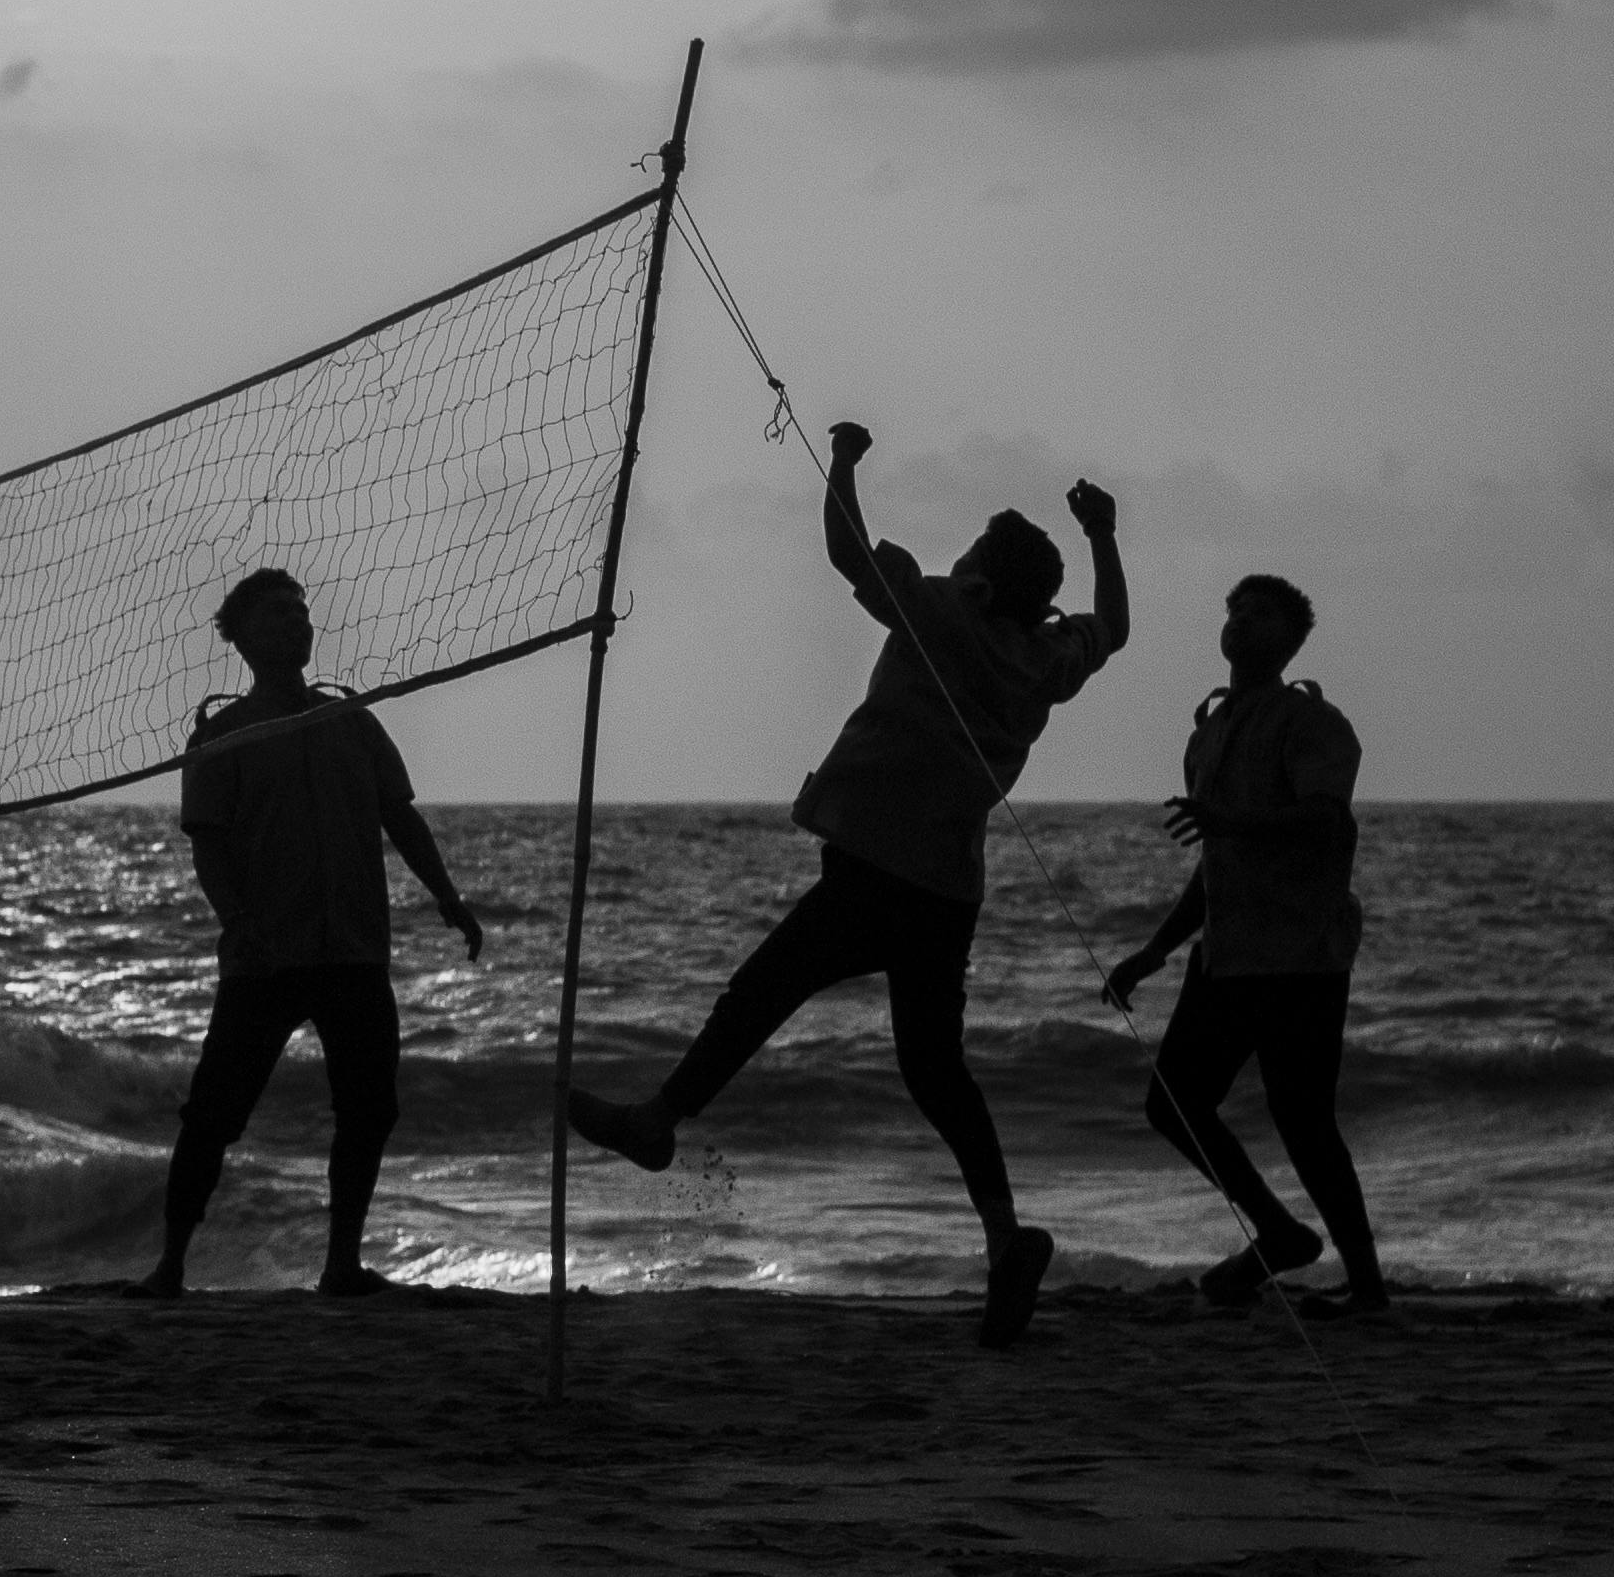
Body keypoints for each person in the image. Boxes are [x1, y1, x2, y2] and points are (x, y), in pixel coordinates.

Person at [570, 421, 1127, 1346]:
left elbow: (843, 549)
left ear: (984, 571)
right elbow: (1111, 628)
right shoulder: (1043, 658)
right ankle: (1004, 1239)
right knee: (932, 1068)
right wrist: (1104, 533)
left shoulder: (943, 612)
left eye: (975, 550)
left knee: (760, 991)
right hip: (948, 890)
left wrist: (842, 460)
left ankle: (657, 1122)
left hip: (875, 872)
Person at [136, 566, 486, 1302]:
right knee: (213, 1116)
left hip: (353, 950)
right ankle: (168, 1267)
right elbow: (208, 847)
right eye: (275, 617)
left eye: (300, 614)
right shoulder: (222, 736)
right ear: (241, 639)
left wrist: (447, 898)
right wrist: (238, 922)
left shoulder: (350, 720)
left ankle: (341, 1267)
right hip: (264, 957)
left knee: (368, 1109)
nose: (295, 625)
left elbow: (401, 817)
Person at [1104, 572, 1385, 1316]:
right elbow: (1213, 864)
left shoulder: (1312, 724)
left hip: (1300, 955)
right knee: (1173, 1104)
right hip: (1226, 955)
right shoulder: (1208, 732)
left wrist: (1231, 825)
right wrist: (1153, 951)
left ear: (1289, 639)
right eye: (1233, 610)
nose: (1239, 622)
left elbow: (1325, 819)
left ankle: (1367, 1287)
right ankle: (1278, 1233)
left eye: (1258, 614)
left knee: (1304, 1121)